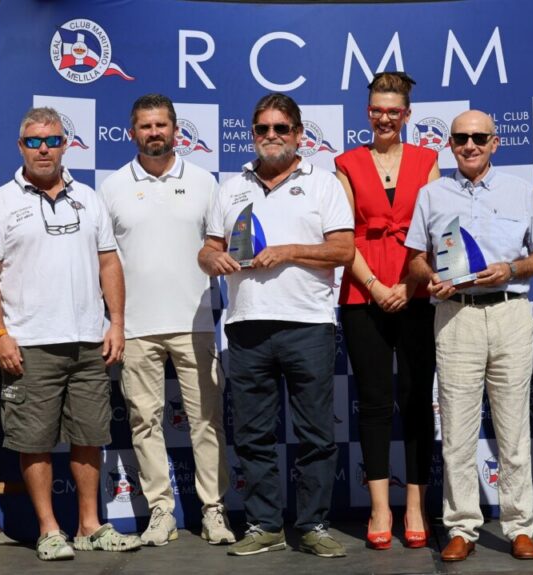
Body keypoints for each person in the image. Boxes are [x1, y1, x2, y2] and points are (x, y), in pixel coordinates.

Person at [0, 107, 141, 560]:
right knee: (33, 440)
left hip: (88, 340)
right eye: (34, 142)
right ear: (21, 147)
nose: (44, 149)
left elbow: (109, 263)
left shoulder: (88, 198)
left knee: (89, 435)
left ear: (65, 145)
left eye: (52, 140)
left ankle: (89, 525)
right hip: (29, 344)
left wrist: (117, 323)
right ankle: (49, 530)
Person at [198, 93, 355, 558]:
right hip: (246, 325)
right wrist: (212, 259)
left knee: (316, 435)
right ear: (253, 135)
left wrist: (288, 251)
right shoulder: (230, 188)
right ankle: (264, 525)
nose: (271, 136)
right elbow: (207, 250)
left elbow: (344, 250)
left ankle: (313, 525)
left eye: (281, 128)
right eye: (263, 129)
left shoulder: (323, 184)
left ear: (298, 134)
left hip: (308, 325)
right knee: (252, 435)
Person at [405, 110, 533, 562]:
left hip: (510, 312)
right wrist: (431, 278)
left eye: (478, 137)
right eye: (460, 138)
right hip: (456, 316)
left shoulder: (520, 190)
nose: (469, 145)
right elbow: (415, 259)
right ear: (450, 144)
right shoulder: (431, 194)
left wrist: (511, 268)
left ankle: (519, 526)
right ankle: (461, 527)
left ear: (495, 142)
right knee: (456, 429)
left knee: (514, 428)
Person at [99, 94, 234, 546]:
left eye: (161, 125)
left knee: (207, 422)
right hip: (136, 326)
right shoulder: (112, 187)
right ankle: (161, 511)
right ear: (132, 132)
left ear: (175, 130)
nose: (154, 132)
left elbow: (219, 247)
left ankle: (214, 511)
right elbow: (104, 261)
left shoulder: (204, 182)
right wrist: (114, 320)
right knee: (144, 423)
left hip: (196, 322)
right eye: (145, 126)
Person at [333, 71, 439, 550]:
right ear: (367, 112)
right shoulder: (347, 163)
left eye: (393, 111)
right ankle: (380, 508)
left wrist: (407, 283)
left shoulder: (427, 160)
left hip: (416, 292)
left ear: (407, 115)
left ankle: (415, 505)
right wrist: (376, 286)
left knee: (416, 400)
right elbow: (343, 237)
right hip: (363, 294)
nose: (384, 118)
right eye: (377, 110)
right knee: (374, 402)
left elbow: (436, 230)